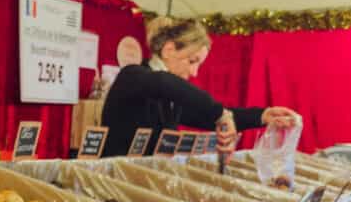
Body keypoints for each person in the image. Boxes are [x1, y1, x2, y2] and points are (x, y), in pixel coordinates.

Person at [100, 17, 298, 157]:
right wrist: (221, 113)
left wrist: (262, 116)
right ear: (169, 50)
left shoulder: (172, 98)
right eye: (192, 61)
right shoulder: (133, 75)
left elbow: (207, 116)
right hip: (113, 185)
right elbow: (163, 83)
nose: (194, 73)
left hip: (141, 182)